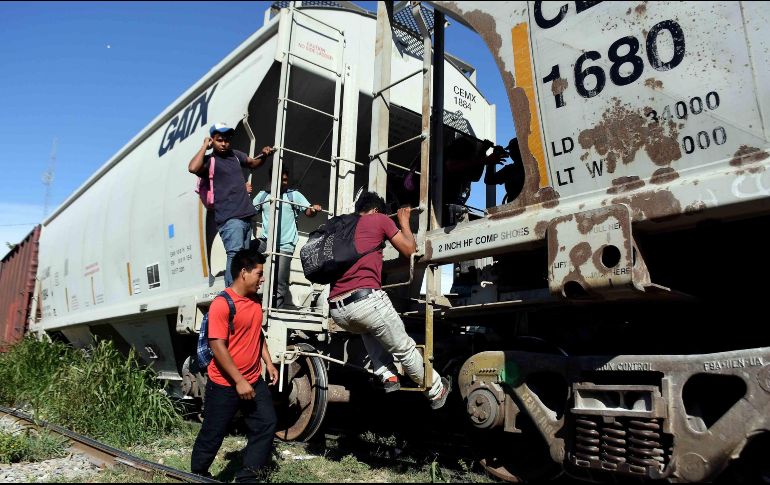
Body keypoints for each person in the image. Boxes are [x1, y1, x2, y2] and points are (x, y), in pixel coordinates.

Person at [327, 191, 450, 409]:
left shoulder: (343, 228)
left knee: (368, 328)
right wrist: (403, 222)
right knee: (404, 348)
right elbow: (410, 250)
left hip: (337, 309)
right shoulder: (379, 219)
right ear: (376, 210)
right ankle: (436, 390)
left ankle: (388, 375)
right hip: (365, 301)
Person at [190, 249, 279, 482]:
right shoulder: (222, 304)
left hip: (252, 379)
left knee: (266, 423)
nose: (263, 279)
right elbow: (217, 346)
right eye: (259, 273)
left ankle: (247, 478)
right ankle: (198, 474)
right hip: (225, 383)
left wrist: (268, 363)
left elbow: (256, 334)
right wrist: (239, 381)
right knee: (213, 432)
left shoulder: (254, 300)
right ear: (243, 273)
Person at [188, 122, 275, 286]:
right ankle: (231, 296)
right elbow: (193, 168)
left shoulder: (235, 155)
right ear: (212, 141)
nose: (224, 143)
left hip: (245, 216)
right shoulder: (209, 160)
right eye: (219, 140)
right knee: (235, 255)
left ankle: (241, 293)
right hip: (229, 218)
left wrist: (263, 154)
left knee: (245, 259)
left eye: (226, 140)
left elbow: (252, 163)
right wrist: (203, 147)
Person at [252, 169, 322, 308]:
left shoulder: (293, 195)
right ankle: (252, 298)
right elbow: (248, 211)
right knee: (246, 250)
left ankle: (277, 311)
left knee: (280, 281)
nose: (284, 182)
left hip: (285, 245)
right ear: (272, 179)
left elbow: (308, 211)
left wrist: (313, 209)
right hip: (266, 242)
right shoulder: (263, 196)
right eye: (281, 179)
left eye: (285, 179)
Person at [443, 136, 507, 224]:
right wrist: (485, 159)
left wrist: (483, 153)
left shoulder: (460, 165)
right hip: (441, 202)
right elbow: (452, 165)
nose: (471, 158)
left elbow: (474, 176)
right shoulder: (445, 160)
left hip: (449, 202)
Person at [484, 137, 525, 205]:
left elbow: (489, 180)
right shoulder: (510, 169)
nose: (510, 152)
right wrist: (492, 162)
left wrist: (491, 162)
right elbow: (489, 180)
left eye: (513, 149)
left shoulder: (511, 169)